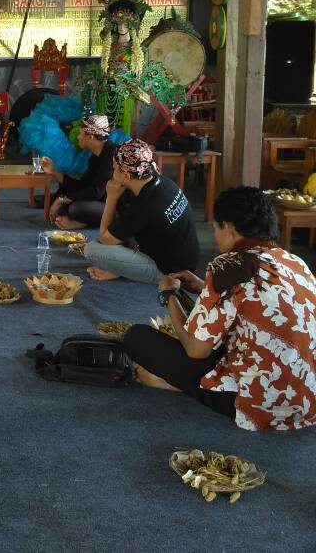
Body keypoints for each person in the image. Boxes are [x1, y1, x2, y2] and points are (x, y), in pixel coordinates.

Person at [123, 187, 316, 430]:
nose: (215, 235)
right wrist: (205, 287)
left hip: (262, 404)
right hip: (309, 399)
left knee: (136, 337)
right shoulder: (294, 261)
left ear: (229, 227)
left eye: (215, 227)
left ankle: (178, 384)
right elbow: (252, 301)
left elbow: (195, 351)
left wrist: (169, 294)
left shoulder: (228, 264)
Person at [83, 138, 198, 283]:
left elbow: (105, 239)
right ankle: (122, 268)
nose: (112, 174)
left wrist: (111, 197)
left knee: (92, 250)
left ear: (125, 176)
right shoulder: (164, 182)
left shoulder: (145, 205)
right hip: (186, 262)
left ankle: (122, 271)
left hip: (169, 272)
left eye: (114, 169)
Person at [42, 113, 118, 229]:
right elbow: (83, 186)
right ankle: (77, 219)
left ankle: (82, 223)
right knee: (61, 198)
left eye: (80, 134)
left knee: (76, 208)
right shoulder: (97, 154)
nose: (78, 137)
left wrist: (62, 200)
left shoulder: (111, 155)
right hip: (101, 201)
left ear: (90, 137)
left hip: (120, 210)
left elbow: (96, 192)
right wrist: (54, 171)